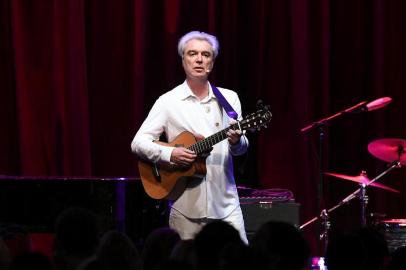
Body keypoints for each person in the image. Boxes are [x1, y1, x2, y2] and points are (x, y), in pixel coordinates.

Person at [131, 30, 249, 243]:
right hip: (184, 209)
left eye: (206, 55)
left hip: (227, 207)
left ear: (212, 62)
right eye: (192, 53)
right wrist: (170, 153)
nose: (199, 59)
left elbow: (242, 148)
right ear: (183, 60)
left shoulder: (230, 98)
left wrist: (237, 141)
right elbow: (138, 143)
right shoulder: (168, 101)